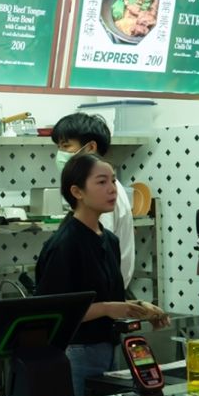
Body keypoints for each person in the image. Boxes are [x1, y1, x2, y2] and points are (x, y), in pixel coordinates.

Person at [35, 153, 169, 396]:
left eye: (113, 181)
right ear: (77, 192)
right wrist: (108, 308)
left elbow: (107, 297)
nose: (112, 189)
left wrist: (141, 308)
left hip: (108, 347)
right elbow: (54, 313)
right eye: (101, 182)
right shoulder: (64, 244)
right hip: (76, 352)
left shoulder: (109, 240)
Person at [51, 113, 136, 288]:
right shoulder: (94, 188)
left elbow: (97, 253)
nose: (60, 154)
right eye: (58, 147)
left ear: (90, 147)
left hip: (104, 291)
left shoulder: (101, 193)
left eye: (66, 146)